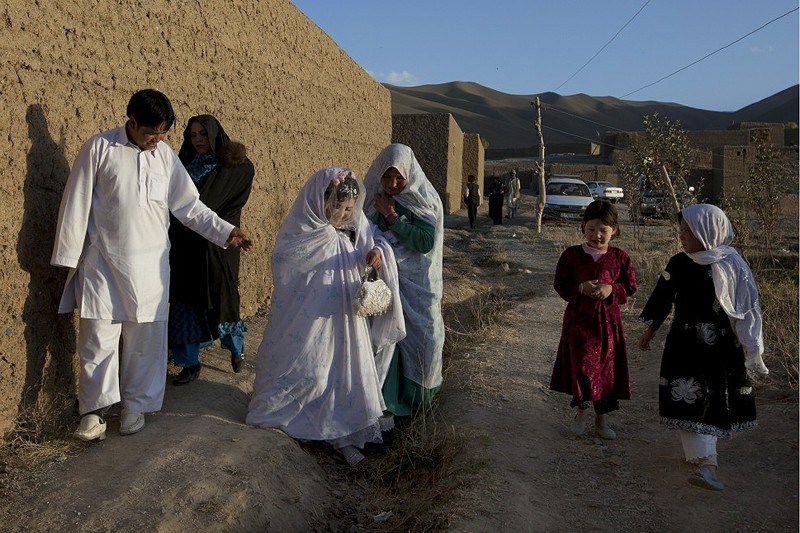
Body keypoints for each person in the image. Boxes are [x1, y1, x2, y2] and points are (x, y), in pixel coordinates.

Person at [51, 89, 253, 442]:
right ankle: (94, 412)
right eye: (151, 133)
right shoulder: (99, 149)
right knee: (98, 338)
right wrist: (69, 260)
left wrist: (226, 231)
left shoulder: (165, 157)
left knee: (145, 342)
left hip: (150, 269)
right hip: (104, 264)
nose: (157, 140)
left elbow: (190, 206)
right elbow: (75, 203)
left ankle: (135, 406)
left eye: (163, 133)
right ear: (131, 122)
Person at [246, 168, 404, 466]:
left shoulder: (349, 234)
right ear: (320, 202)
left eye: (349, 209)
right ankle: (306, 425)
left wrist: (376, 255)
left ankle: (340, 434)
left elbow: (374, 243)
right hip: (306, 322)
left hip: (343, 321)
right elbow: (284, 262)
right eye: (338, 208)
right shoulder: (301, 233)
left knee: (342, 374)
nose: (344, 215)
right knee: (313, 374)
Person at [638, 203, 768, 491]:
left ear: (706, 232)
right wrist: (651, 328)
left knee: (711, 397)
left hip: (719, 350)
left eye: (688, 231)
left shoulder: (732, 265)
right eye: (681, 231)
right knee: (686, 396)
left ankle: (707, 464)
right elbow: (662, 296)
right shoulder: (679, 264)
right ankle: (702, 461)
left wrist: (752, 347)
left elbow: (747, 308)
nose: (682, 237)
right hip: (683, 347)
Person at [168, 115, 255, 385]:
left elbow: (205, 204)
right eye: (192, 135)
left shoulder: (235, 167)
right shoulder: (182, 166)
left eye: (203, 134)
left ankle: (236, 348)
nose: (198, 140)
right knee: (186, 304)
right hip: (185, 247)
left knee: (223, 301)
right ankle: (189, 364)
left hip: (219, 247)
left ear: (215, 134)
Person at [363, 143, 445, 416]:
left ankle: (420, 402)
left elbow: (424, 242)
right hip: (384, 285)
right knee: (387, 340)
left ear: (410, 173)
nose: (393, 183)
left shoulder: (424, 201)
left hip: (418, 286)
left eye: (399, 177)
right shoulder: (372, 200)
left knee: (425, 339)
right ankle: (389, 404)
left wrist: (391, 216)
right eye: (387, 177)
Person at [549, 200, 637, 440]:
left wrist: (611, 289)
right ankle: (581, 412)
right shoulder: (571, 255)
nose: (596, 235)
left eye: (603, 230)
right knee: (583, 368)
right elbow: (560, 284)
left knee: (606, 371)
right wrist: (580, 287)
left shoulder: (620, 258)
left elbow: (630, 286)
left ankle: (602, 421)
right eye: (591, 229)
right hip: (579, 324)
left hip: (608, 325)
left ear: (614, 230)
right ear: (583, 227)